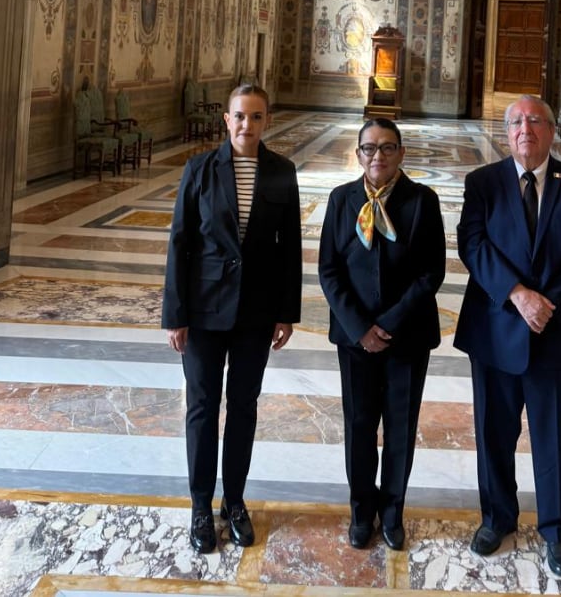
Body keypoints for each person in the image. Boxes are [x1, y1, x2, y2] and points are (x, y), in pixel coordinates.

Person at [454, 94, 561, 579]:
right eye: (517, 122)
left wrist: (548, 303)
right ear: (507, 133)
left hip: (560, 334)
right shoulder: (482, 183)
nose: (526, 129)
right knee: (493, 434)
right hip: (497, 328)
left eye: (536, 120)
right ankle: (497, 517)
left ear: (551, 131)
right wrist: (517, 295)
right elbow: (471, 244)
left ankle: (558, 532)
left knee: (557, 438)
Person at [162, 83, 302, 554]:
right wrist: (174, 315)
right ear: (227, 120)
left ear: (267, 121)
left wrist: (287, 312)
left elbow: (290, 249)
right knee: (202, 409)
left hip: (257, 311)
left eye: (257, 117)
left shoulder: (282, 172)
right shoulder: (199, 169)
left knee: (243, 407)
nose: (248, 125)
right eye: (240, 116)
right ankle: (201, 504)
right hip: (203, 310)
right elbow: (180, 243)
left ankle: (234, 501)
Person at [318, 118, 446, 551]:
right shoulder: (341, 200)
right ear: (357, 155)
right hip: (354, 338)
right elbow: (328, 270)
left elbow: (432, 272)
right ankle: (360, 511)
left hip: (406, 337)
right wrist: (360, 327)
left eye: (387, 148)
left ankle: (392, 512)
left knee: (400, 428)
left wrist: (388, 324)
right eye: (369, 148)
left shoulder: (423, 201)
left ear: (401, 154)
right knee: (358, 425)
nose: (378, 156)